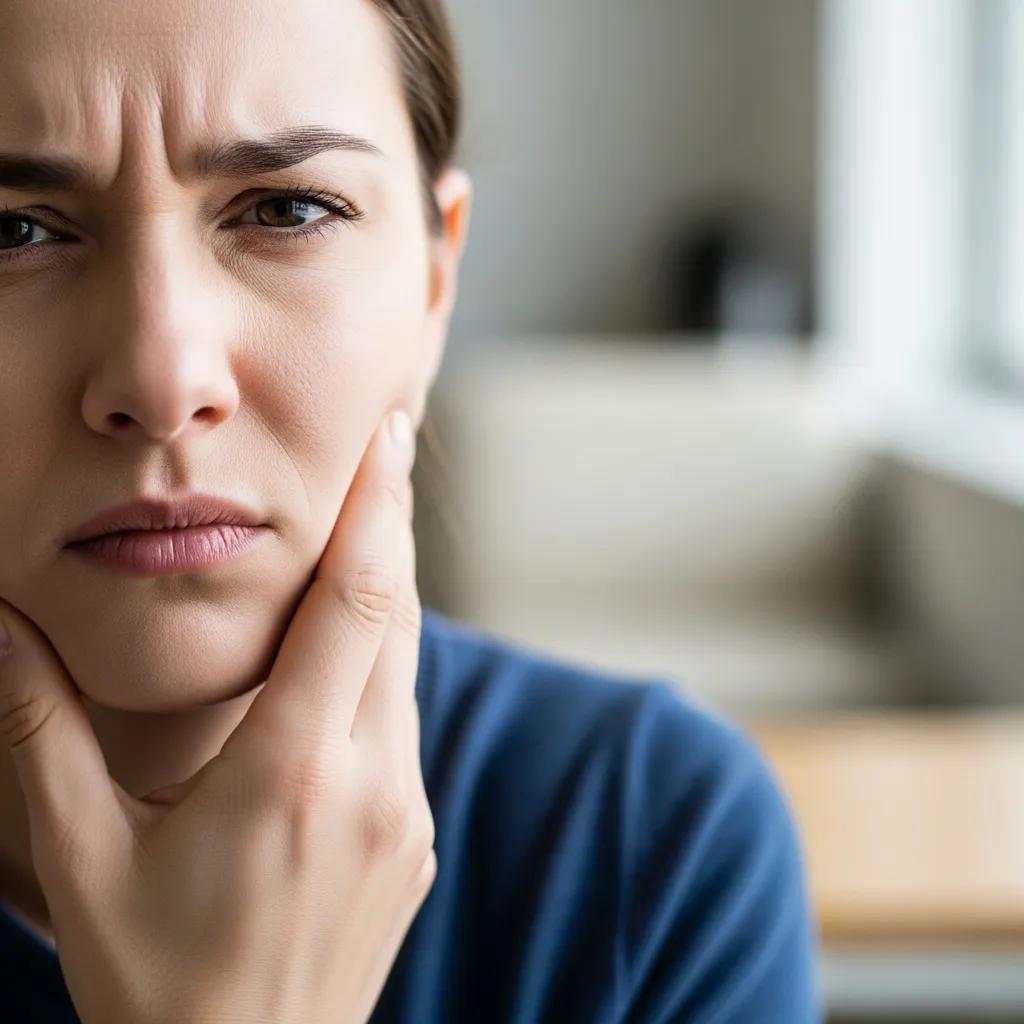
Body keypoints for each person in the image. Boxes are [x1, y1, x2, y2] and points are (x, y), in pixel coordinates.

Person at [0, 0, 822, 1019]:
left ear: (436, 281)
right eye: (15, 231)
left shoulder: (646, 836)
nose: (165, 380)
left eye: (286, 210)